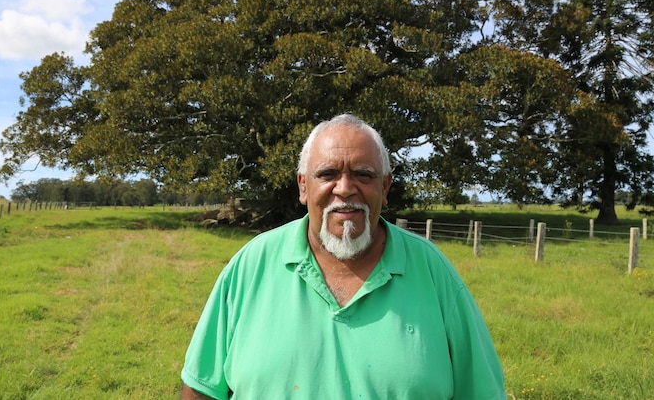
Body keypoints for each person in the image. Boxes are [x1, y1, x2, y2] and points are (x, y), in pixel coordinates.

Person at [180, 114, 505, 399]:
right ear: (303, 186)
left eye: (364, 175)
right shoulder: (251, 265)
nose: (345, 188)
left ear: (385, 186)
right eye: (328, 174)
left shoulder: (434, 273)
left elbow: (482, 392)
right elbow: (201, 390)